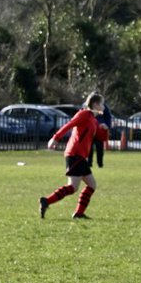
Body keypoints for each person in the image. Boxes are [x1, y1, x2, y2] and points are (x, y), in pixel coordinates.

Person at [39, 92, 103, 220]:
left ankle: (79, 213)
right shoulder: (84, 114)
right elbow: (69, 125)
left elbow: (100, 138)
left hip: (81, 157)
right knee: (73, 187)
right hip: (75, 154)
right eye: (101, 103)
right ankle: (46, 201)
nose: (103, 106)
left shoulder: (93, 119)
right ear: (95, 104)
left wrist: (104, 130)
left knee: (91, 185)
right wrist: (55, 138)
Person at [89, 100, 113, 169]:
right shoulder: (88, 105)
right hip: (90, 130)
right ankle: (89, 163)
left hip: (100, 129)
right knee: (89, 148)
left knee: (99, 148)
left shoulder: (103, 105)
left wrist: (107, 125)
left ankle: (100, 163)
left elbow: (108, 116)